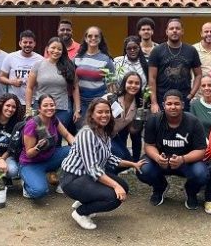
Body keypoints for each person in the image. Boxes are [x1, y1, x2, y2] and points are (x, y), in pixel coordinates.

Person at [60, 98, 146, 230]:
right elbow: (93, 169)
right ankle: (80, 213)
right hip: (72, 179)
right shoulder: (87, 134)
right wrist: (115, 186)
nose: (104, 115)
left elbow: (109, 157)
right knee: (114, 197)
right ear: (92, 114)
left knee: (124, 186)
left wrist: (132, 164)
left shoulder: (104, 132)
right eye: (100, 112)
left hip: (86, 176)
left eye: (107, 112)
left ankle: (86, 199)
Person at [136, 90, 209, 210]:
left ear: (183, 105)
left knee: (201, 174)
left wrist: (183, 159)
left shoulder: (193, 122)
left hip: (186, 162)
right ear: (163, 105)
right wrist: (157, 157)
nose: (173, 107)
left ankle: (191, 192)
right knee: (143, 169)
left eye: (176, 104)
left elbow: (201, 150)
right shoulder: (154, 120)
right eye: (169, 104)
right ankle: (160, 187)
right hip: (161, 161)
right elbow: (149, 145)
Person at [19, 94, 74, 199]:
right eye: (45, 105)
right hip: (31, 163)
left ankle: (62, 181)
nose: (49, 108)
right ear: (39, 108)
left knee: (74, 151)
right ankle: (26, 184)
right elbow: (29, 153)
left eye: (52, 105)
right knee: (39, 192)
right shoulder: (32, 124)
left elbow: (66, 135)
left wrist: (79, 146)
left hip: (50, 158)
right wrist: (38, 147)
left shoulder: (54, 119)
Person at [26, 37, 81, 132]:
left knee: (57, 138)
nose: (56, 51)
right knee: (41, 136)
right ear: (47, 48)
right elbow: (29, 88)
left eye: (59, 49)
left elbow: (75, 88)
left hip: (62, 109)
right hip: (41, 108)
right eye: (53, 48)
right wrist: (28, 109)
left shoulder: (68, 66)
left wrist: (77, 109)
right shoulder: (38, 65)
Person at [148, 18, 202, 113]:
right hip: (162, 100)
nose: (174, 31)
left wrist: (191, 95)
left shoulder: (191, 50)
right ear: (166, 32)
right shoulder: (157, 51)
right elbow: (152, 78)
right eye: (171, 28)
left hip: (184, 99)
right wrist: (154, 103)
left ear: (182, 31)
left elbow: (198, 75)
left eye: (177, 28)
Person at [73, 26, 115, 127]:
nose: (93, 38)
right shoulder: (77, 58)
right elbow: (74, 84)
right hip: (81, 103)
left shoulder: (106, 60)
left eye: (96, 36)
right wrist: (77, 108)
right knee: (81, 132)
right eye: (90, 36)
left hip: (99, 101)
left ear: (100, 39)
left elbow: (111, 85)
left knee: (98, 130)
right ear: (86, 39)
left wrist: (109, 104)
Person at [103, 72, 143, 165]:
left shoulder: (138, 104)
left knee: (126, 159)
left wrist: (141, 119)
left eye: (137, 83)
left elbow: (132, 130)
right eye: (130, 82)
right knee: (119, 156)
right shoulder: (111, 98)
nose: (133, 85)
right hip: (99, 136)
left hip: (112, 136)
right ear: (124, 83)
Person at [0, 30, 43, 112]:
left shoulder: (40, 59)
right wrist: (12, 82)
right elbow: (1, 77)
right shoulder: (10, 57)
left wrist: (35, 81)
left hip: (35, 102)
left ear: (34, 44)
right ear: (20, 43)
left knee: (32, 124)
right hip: (14, 102)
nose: (27, 45)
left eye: (30, 42)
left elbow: (44, 80)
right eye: (25, 42)